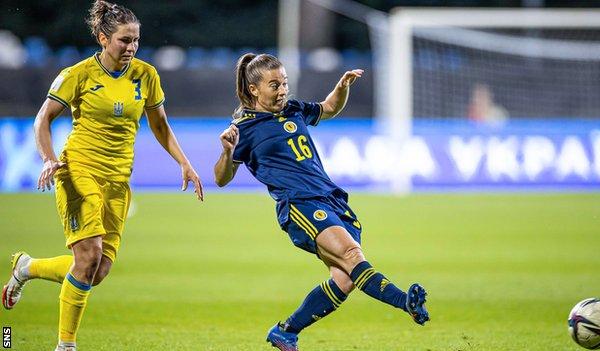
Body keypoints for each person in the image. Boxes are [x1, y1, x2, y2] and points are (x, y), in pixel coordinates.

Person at [1, 1, 203, 350]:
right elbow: (42, 119)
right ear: (103, 38)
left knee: (97, 271)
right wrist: (48, 159)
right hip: (79, 169)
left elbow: (159, 123)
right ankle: (66, 345)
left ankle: (28, 267)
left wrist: (184, 162)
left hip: (118, 179)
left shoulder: (146, 75)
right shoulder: (77, 74)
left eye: (136, 40)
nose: (131, 47)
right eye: (124, 40)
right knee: (88, 257)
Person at [214, 53, 429, 351]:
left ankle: (285, 332)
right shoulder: (243, 129)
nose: (282, 90)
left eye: (284, 83)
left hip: (332, 199)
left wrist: (342, 86)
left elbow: (328, 108)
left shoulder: (293, 109)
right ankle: (406, 302)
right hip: (299, 205)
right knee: (353, 256)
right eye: (274, 85)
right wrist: (226, 152)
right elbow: (221, 178)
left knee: (344, 278)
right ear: (254, 89)